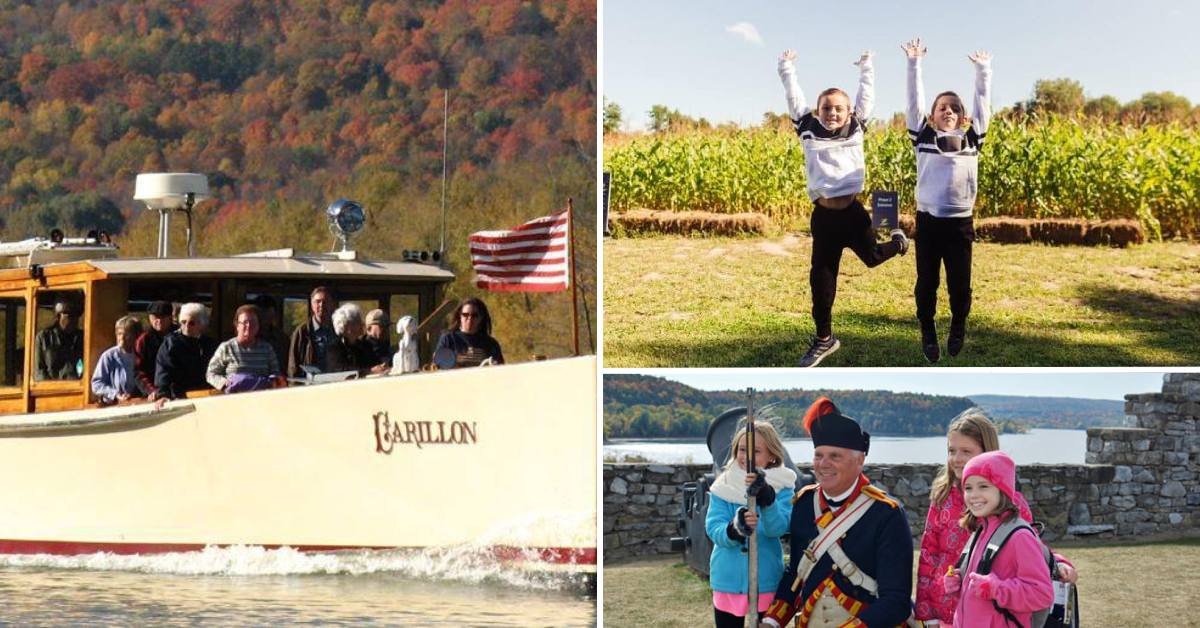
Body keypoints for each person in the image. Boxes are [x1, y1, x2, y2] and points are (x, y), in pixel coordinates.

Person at [777, 48, 909, 368]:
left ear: (849, 111)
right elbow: (793, 96)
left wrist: (867, 67)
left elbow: (867, 96)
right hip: (823, 218)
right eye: (827, 107)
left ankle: (898, 239)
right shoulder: (807, 126)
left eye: (839, 108)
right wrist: (787, 67)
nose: (832, 112)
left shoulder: (857, 126)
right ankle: (824, 340)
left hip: (853, 213)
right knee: (821, 282)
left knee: (874, 257)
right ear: (817, 110)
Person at [916, 409, 1078, 626]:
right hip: (947, 607)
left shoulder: (1012, 503)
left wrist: (1058, 563)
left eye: (966, 451)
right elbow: (929, 553)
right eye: (951, 450)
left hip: (991, 612)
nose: (956, 458)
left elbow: (1031, 546)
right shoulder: (942, 497)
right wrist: (926, 610)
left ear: (987, 453)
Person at [763, 397, 912, 627]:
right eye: (819, 455)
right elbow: (796, 572)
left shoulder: (886, 513)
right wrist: (772, 621)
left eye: (835, 456)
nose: (823, 464)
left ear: (859, 460)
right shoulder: (804, 503)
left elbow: (896, 601)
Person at [902, 38, 991, 362]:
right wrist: (915, 63)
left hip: (960, 225)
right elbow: (913, 103)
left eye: (955, 108)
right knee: (927, 283)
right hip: (928, 222)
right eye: (943, 108)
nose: (949, 111)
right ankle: (927, 327)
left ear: (964, 117)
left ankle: (957, 325)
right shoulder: (923, 138)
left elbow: (983, 104)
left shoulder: (972, 139)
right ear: (932, 116)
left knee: (960, 285)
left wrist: (983, 71)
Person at [945, 451, 1054, 627]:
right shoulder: (979, 532)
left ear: (1002, 489)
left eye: (983, 486)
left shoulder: (1020, 537)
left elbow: (1042, 594)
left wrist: (997, 589)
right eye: (968, 488)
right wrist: (959, 581)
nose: (973, 495)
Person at [705, 420, 795, 627]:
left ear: (772, 455)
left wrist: (768, 501)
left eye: (756, 451)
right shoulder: (723, 485)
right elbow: (713, 527)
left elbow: (779, 528)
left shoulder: (783, 486)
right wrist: (735, 529)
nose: (747, 457)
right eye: (743, 449)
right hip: (727, 578)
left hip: (766, 578)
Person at [206, 304, 281, 393]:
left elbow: (276, 374)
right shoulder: (226, 347)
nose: (248, 326)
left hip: (260, 399)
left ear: (258, 326)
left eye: (253, 322)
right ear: (237, 325)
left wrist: (268, 382)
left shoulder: (267, 349)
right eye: (245, 322)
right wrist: (225, 383)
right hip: (233, 399)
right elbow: (211, 374)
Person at [154, 302, 218, 400]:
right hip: (179, 397)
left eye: (192, 323)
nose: (187, 326)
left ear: (202, 325)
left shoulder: (210, 345)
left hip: (206, 396)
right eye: (183, 322)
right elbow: (163, 371)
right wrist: (163, 395)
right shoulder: (171, 343)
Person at [91, 316, 149, 405]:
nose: (122, 338)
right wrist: (115, 394)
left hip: (141, 404)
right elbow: (97, 384)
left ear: (137, 336)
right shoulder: (109, 356)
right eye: (119, 334)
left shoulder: (143, 354)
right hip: (115, 406)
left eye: (127, 334)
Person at [434, 298, 504, 367]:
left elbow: (499, 370)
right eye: (465, 315)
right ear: (459, 316)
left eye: (474, 315)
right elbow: (439, 365)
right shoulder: (449, 339)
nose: (469, 318)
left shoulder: (490, 343)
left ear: (481, 318)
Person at [325, 303, 389, 376]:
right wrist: (368, 371)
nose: (362, 324)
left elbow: (375, 363)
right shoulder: (334, 349)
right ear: (346, 326)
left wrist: (382, 367)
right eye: (357, 321)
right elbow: (340, 371)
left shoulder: (365, 345)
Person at [287, 286, 337, 377]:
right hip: (310, 386)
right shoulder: (302, 332)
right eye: (318, 302)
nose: (321, 305)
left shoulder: (338, 329)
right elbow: (293, 365)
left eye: (325, 302)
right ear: (312, 305)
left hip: (335, 384)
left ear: (332, 304)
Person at [35, 300, 84, 380]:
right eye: (70, 316)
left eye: (76, 316)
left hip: (78, 387)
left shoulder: (82, 338)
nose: (74, 320)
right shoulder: (44, 338)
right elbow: (39, 372)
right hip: (52, 389)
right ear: (58, 317)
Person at [135, 300, 175, 397]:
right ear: (149, 318)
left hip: (178, 390)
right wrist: (151, 391)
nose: (159, 321)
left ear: (170, 318)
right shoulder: (144, 340)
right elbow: (138, 372)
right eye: (155, 318)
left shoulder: (178, 335)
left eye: (163, 317)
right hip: (153, 394)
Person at [252, 294, 289, 369]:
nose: (263, 315)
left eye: (267, 311)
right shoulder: (248, 336)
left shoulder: (282, 339)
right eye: (260, 311)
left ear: (274, 313)